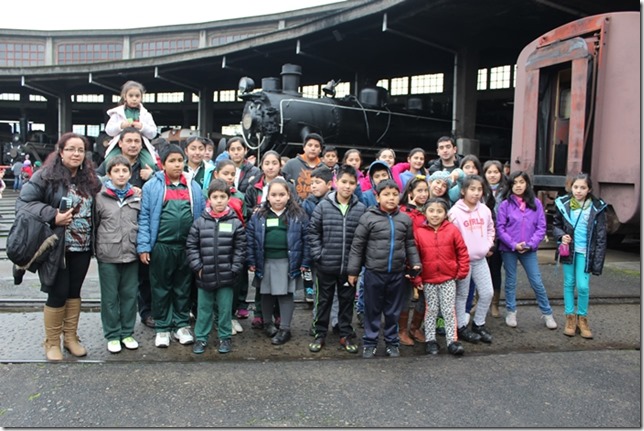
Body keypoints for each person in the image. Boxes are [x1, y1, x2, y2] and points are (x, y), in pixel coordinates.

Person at [16, 132, 101, 360]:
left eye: (80, 150)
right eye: (71, 149)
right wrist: (54, 216)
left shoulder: (90, 179)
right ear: (61, 152)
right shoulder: (45, 176)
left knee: (74, 292)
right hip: (57, 245)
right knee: (58, 292)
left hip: (82, 246)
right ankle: (52, 342)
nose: (76, 154)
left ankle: (71, 337)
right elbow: (25, 203)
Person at [137, 144, 206, 348]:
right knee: (160, 288)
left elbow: (201, 217)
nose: (177, 165)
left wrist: (199, 246)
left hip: (186, 248)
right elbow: (145, 218)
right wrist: (143, 246)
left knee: (183, 287)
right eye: (172, 161)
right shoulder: (152, 186)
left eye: (179, 160)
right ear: (163, 164)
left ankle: (181, 325)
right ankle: (163, 328)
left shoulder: (193, 186)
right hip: (161, 247)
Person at [347, 179, 421, 359]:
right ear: (377, 197)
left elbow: (410, 244)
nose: (391, 198)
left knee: (393, 311)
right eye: (386, 194)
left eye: (395, 194)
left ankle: (391, 342)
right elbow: (358, 246)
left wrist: (415, 263)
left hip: (397, 273)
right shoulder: (368, 217)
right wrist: (353, 271)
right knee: (372, 309)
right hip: (374, 272)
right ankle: (370, 342)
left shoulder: (404, 219)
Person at [96, 127, 159, 329]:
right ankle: (114, 327)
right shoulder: (107, 167)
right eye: (129, 141)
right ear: (120, 143)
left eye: (137, 141)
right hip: (113, 239)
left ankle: (145, 313)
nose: (133, 145)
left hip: (140, 234)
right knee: (115, 287)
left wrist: (153, 175)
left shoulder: (148, 166)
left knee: (144, 279)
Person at [308, 164, 366, 354]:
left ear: (356, 185)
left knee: (347, 302)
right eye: (343, 182)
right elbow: (313, 233)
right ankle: (320, 334)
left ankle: (345, 334)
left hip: (349, 268)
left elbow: (362, 239)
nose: (347, 186)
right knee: (323, 301)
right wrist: (319, 255)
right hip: (326, 265)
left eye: (351, 183)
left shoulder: (361, 209)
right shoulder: (323, 206)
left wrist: (355, 266)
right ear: (335, 182)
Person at [246, 178, 311, 345]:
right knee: (265, 293)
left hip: (287, 262)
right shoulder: (259, 215)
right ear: (267, 197)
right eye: (273, 195)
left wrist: (305, 262)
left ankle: (285, 328)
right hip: (265, 260)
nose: (277, 198)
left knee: (285, 295)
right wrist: (251, 260)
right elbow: (251, 238)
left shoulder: (298, 215)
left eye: (281, 194)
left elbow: (306, 239)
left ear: (288, 195)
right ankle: (267, 324)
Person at [186, 179, 247, 354]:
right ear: (209, 199)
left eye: (222, 196)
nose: (219, 200)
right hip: (205, 275)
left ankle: (225, 337)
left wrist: (235, 268)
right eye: (215, 197)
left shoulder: (235, 223)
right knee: (203, 309)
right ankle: (202, 338)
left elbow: (240, 248)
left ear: (229, 198)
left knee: (225, 309)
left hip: (227, 275)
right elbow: (191, 246)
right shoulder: (199, 223)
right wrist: (197, 266)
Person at [497, 171, 557, 330]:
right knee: (510, 281)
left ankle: (547, 313)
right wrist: (513, 244)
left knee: (536, 281)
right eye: (515, 183)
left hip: (529, 249)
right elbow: (500, 228)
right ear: (510, 185)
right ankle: (511, 311)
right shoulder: (505, 204)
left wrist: (531, 244)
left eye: (521, 182)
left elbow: (541, 227)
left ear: (527, 184)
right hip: (509, 249)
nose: (518, 186)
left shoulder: (536, 203)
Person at [94, 155, 141, 353]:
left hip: (131, 253)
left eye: (125, 171)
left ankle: (127, 332)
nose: (121, 175)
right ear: (108, 174)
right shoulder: (99, 197)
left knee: (130, 295)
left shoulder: (137, 195)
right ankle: (112, 334)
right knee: (110, 297)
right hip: (108, 254)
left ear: (130, 174)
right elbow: (94, 225)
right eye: (116, 171)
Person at [552, 173, 607, 339]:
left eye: (583, 188)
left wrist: (598, 260)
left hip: (585, 253)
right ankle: (570, 317)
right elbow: (556, 225)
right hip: (570, 251)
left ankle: (582, 318)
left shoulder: (597, 207)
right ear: (571, 188)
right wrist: (562, 236)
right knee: (569, 283)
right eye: (576, 187)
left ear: (589, 189)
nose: (579, 191)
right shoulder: (564, 204)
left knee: (583, 286)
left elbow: (601, 236)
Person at [412, 198, 469, 356]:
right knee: (431, 310)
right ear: (425, 213)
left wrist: (461, 271)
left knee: (448, 310)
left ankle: (452, 341)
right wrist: (416, 278)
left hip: (448, 278)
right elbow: (413, 258)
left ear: (446, 214)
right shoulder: (419, 232)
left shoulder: (452, 230)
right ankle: (431, 340)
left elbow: (462, 252)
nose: (435, 215)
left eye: (439, 211)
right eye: (431, 211)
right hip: (428, 280)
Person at [448, 175, 495, 344]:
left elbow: (491, 229)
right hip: (463, 261)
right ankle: (460, 327)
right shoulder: (454, 212)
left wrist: (487, 245)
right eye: (472, 189)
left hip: (480, 259)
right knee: (462, 295)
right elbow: (451, 238)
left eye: (479, 189)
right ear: (463, 191)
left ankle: (478, 324)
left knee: (487, 292)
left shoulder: (485, 210)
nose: (476, 193)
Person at [398, 175, 430, 347]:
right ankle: (401, 330)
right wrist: (411, 208)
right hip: (406, 261)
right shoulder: (404, 212)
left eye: (426, 190)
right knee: (405, 297)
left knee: (426, 297)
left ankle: (415, 327)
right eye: (419, 191)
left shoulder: (430, 210)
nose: (424, 194)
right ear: (410, 193)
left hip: (426, 260)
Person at [104, 81, 158, 170]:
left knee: (150, 164)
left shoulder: (146, 115)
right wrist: (121, 126)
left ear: (141, 97)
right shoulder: (117, 113)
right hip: (119, 146)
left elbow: (153, 133)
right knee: (109, 162)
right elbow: (109, 130)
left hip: (141, 146)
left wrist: (142, 127)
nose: (134, 99)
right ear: (125, 97)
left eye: (137, 96)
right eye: (131, 96)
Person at [302, 166, 334, 305]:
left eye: (317, 182)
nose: (313, 186)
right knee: (318, 288)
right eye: (312, 183)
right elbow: (306, 229)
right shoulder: (307, 203)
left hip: (332, 251)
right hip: (315, 250)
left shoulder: (335, 202)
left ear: (329, 184)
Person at [482, 160, 506, 318]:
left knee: (495, 270)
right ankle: (480, 300)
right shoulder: (480, 189)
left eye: (496, 172)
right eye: (489, 172)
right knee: (480, 270)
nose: (492, 175)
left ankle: (495, 304)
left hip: (501, 234)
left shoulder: (506, 191)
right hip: (482, 234)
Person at [281, 133, 324, 200]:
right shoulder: (291, 164)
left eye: (316, 146)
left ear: (320, 150)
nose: (313, 148)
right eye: (310, 145)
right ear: (304, 147)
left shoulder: (324, 168)